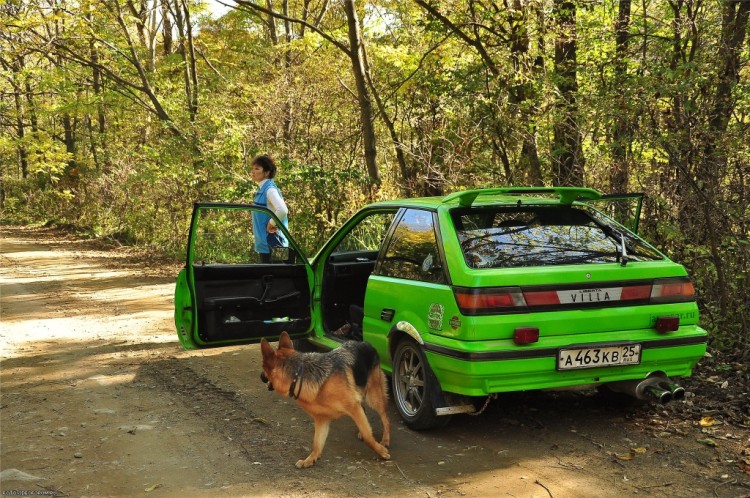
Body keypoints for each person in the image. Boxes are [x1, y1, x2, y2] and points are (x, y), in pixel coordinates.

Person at [251, 154, 289, 263]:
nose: (253, 171)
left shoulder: (270, 190)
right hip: (266, 245)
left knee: (275, 277)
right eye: (253, 168)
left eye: (257, 169)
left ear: (267, 172)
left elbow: (282, 210)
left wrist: (271, 223)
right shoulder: (263, 189)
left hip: (273, 245)